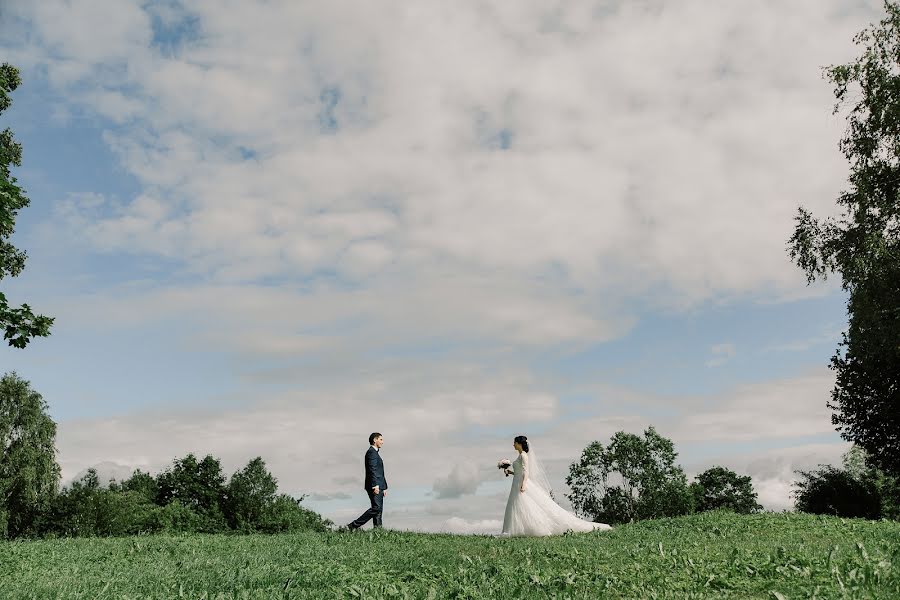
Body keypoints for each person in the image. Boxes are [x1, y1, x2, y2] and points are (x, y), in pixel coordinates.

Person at [501, 434, 611, 536]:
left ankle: (533, 528)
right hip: (517, 482)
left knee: (526, 505)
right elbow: (520, 472)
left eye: (514, 442)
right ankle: (517, 529)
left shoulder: (524, 456)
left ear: (519, 444)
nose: (513, 444)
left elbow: (526, 472)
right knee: (518, 506)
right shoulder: (520, 456)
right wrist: (510, 472)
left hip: (521, 483)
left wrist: (524, 484)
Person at [347, 432, 388, 530]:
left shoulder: (375, 453)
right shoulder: (371, 452)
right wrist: (375, 485)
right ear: (375, 440)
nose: (383, 442)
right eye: (381, 439)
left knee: (378, 510)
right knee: (376, 508)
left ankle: (378, 531)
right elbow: (372, 469)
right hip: (375, 485)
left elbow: (380, 472)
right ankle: (353, 525)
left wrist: (385, 487)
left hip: (380, 485)